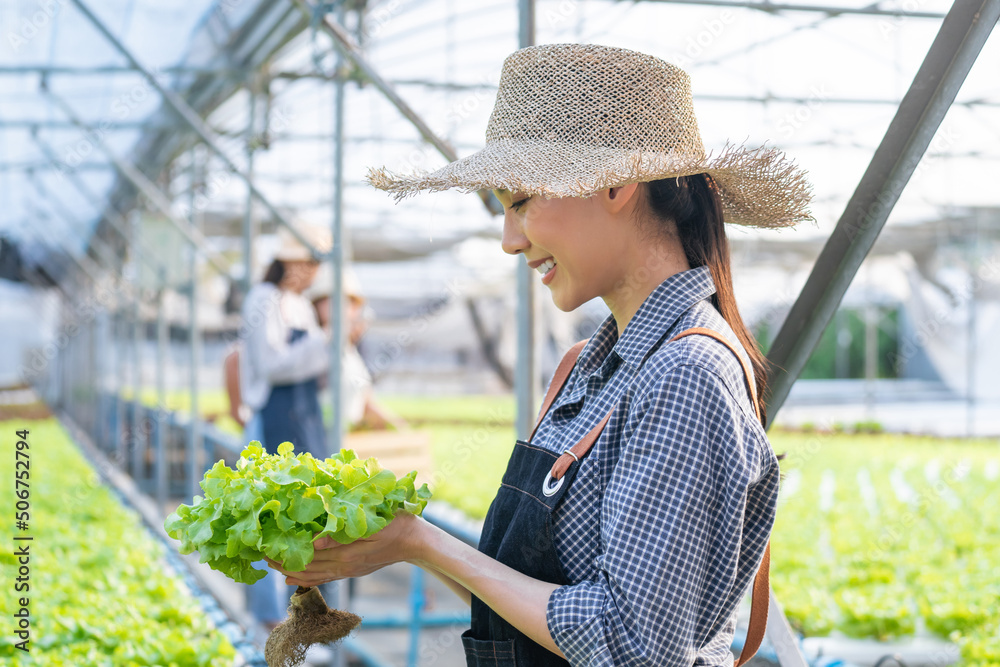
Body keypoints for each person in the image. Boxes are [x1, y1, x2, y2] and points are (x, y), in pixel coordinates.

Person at [266, 43, 812, 666]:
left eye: (520, 200)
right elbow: (533, 599)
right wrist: (404, 545)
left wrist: (424, 542)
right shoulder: (586, 368)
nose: (509, 239)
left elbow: (633, 649)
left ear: (615, 183)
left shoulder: (685, 374)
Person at [239, 223, 332, 630]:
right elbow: (270, 365)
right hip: (270, 419)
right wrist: (324, 343)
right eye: (309, 262)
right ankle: (268, 617)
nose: (313, 272)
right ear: (290, 261)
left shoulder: (302, 306)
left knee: (301, 518)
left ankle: (301, 615)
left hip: (303, 419)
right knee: (265, 518)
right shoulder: (263, 299)